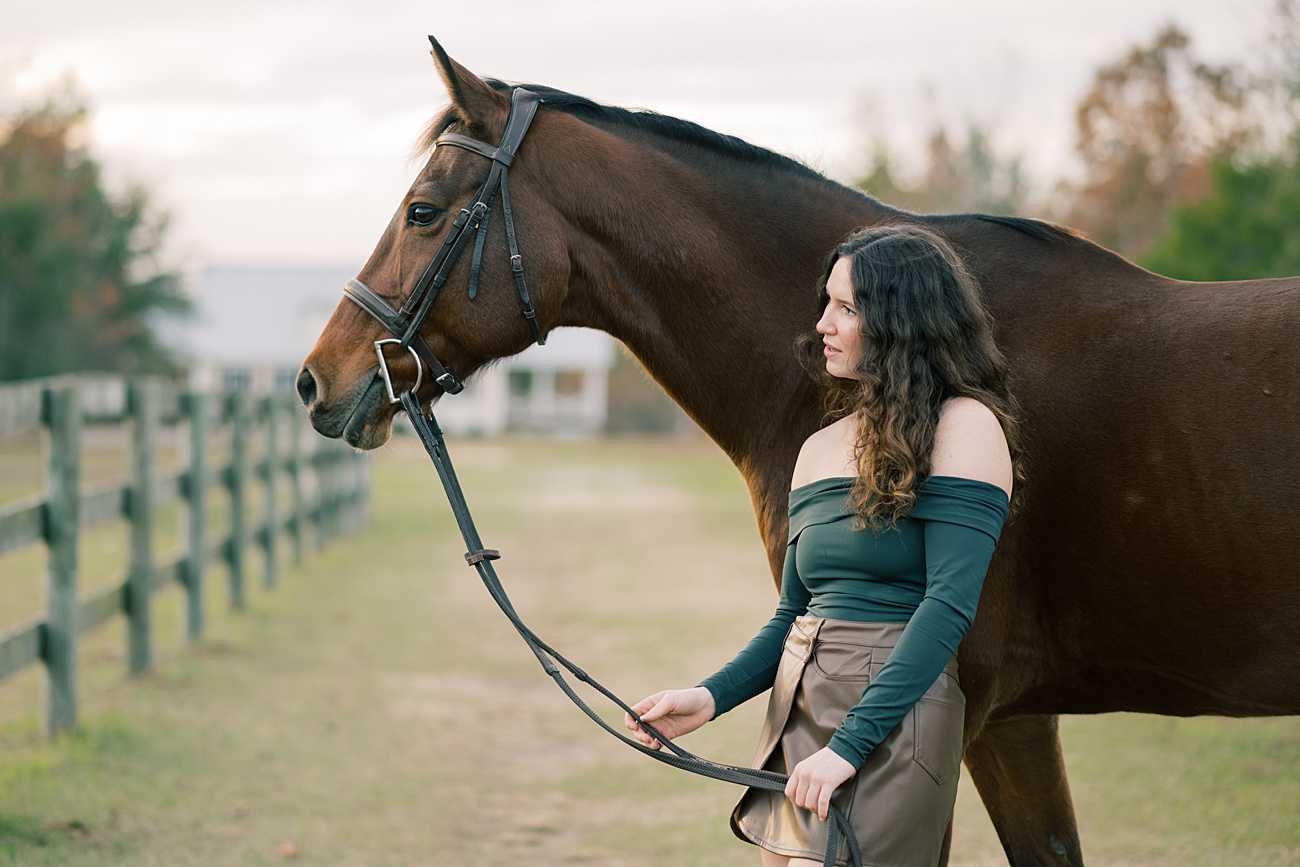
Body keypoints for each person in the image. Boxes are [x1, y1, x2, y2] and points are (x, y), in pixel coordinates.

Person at [624, 223, 1024, 866]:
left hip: (895, 712)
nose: (822, 325)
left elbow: (948, 607)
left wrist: (847, 747)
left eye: (846, 308)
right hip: (800, 704)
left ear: (901, 319)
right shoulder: (818, 449)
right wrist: (709, 697)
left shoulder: (967, 429)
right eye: (826, 304)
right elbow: (793, 614)